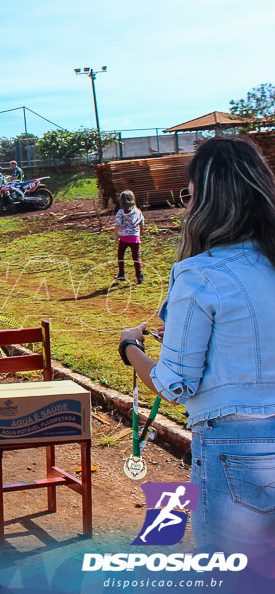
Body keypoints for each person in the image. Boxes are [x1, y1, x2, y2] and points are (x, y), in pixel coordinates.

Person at [118, 137, 275, 578]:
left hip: (236, 451)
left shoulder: (199, 272)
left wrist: (131, 350)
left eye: (188, 195)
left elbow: (174, 384)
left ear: (206, 198)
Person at [114, 189, 145, 283]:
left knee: (120, 255)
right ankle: (139, 276)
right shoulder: (138, 212)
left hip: (124, 238)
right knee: (136, 257)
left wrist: (116, 235)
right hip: (135, 238)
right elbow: (142, 223)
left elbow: (117, 224)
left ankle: (121, 274)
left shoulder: (120, 212)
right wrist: (139, 234)